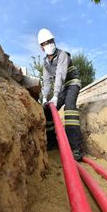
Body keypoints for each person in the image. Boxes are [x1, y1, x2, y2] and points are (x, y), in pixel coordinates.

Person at [38, 28, 84, 161]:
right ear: (42, 47)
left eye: (51, 41)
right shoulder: (45, 63)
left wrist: (56, 95)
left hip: (72, 84)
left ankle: (76, 148)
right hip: (63, 88)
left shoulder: (63, 55)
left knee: (70, 109)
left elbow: (60, 75)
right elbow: (46, 82)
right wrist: (45, 97)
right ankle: (53, 142)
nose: (50, 44)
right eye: (46, 43)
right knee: (48, 111)